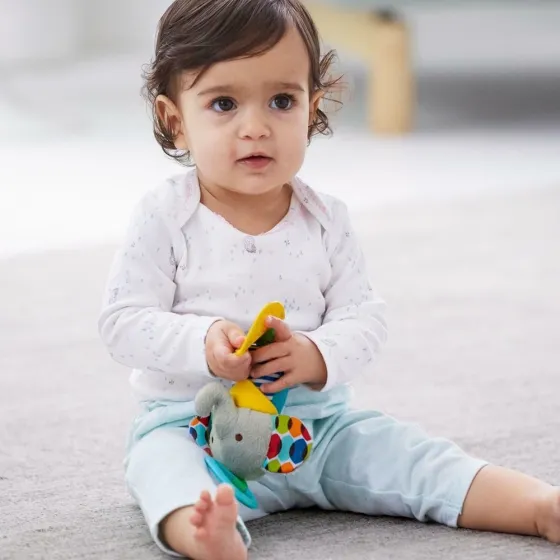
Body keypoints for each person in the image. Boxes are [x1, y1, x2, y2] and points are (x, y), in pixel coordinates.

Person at [98, 1, 560, 558]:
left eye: (282, 101)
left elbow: (364, 318)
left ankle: (538, 505)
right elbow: (123, 323)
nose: (256, 127)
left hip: (317, 431)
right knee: (161, 468)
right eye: (224, 103)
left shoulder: (325, 219)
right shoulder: (165, 216)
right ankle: (206, 532)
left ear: (312, 108)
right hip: (198, 430)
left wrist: (316, 354)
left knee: (412, 456)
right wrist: (204, 342)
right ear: (176, 120)